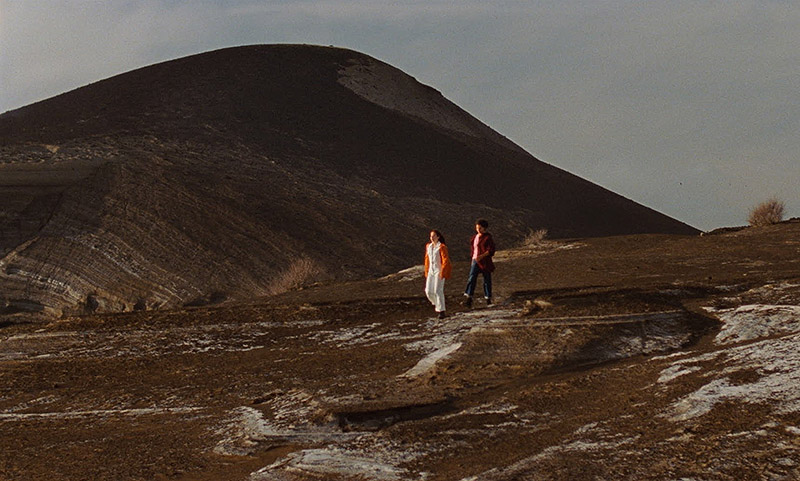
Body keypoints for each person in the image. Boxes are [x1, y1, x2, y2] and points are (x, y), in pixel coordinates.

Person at [463, 219, 495, 308]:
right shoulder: (474, 238)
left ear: (484, 228)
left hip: (484, 261)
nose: (478, 230)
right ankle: (469, 297)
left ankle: (488, 298)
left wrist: (482, 256)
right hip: (475, 260)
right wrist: (473, 258)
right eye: (477, 228)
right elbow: (473, 249)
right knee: (472, 278)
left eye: (480, 228)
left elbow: (491, 250)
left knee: (486, 279)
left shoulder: (488, 238)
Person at [424, 230, 452, 319]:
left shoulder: (442, 247)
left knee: (437, 290)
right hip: (431, 271)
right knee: (428, 291)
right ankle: (437, 304)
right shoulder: (429, 246)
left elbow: (445, 260)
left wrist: (443, 272)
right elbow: (427, 259)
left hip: (439, 271)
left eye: (434, 236)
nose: (432, 238)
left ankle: (441, 311)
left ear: (438, 237)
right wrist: (427, 270)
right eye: (431, 236)